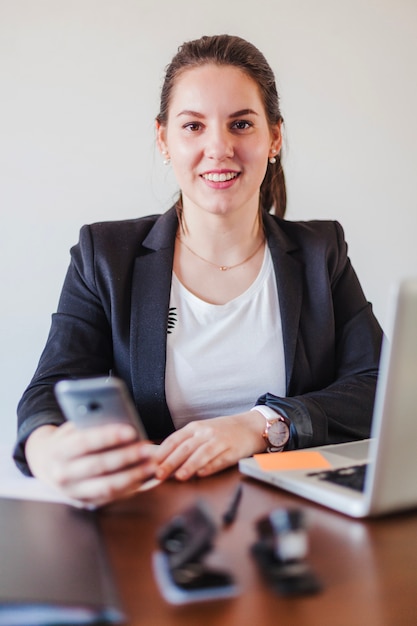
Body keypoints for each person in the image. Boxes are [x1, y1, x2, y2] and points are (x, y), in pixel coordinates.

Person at [14, 34, 383, 507]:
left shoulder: (321, 251)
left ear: (273, 138)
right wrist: (47, 451)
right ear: (163, 139)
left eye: (241, 124)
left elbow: (377, 390)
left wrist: (260, 425)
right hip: (157, 522)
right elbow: (48, 390)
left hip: (295, 521)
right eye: (193, 126)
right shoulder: (104, 255)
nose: (219, 147)